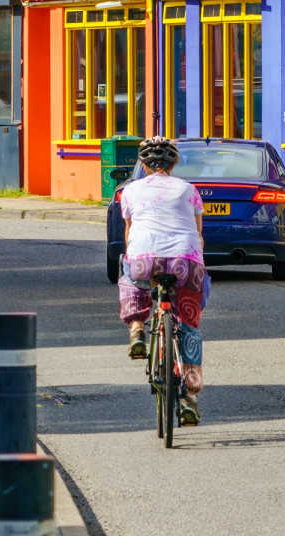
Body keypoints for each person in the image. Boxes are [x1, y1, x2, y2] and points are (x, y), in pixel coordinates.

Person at [117, 136, 208, 425]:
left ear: (143, 164)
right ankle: (190, 395)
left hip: (145, 259)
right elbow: (198, 234)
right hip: (185, 261)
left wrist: (133, 255)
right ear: (174, 163)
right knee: (190, 323)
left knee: (130, 273)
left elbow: (129, 233)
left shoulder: (131, 191)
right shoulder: (188, 190)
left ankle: (137, 328)